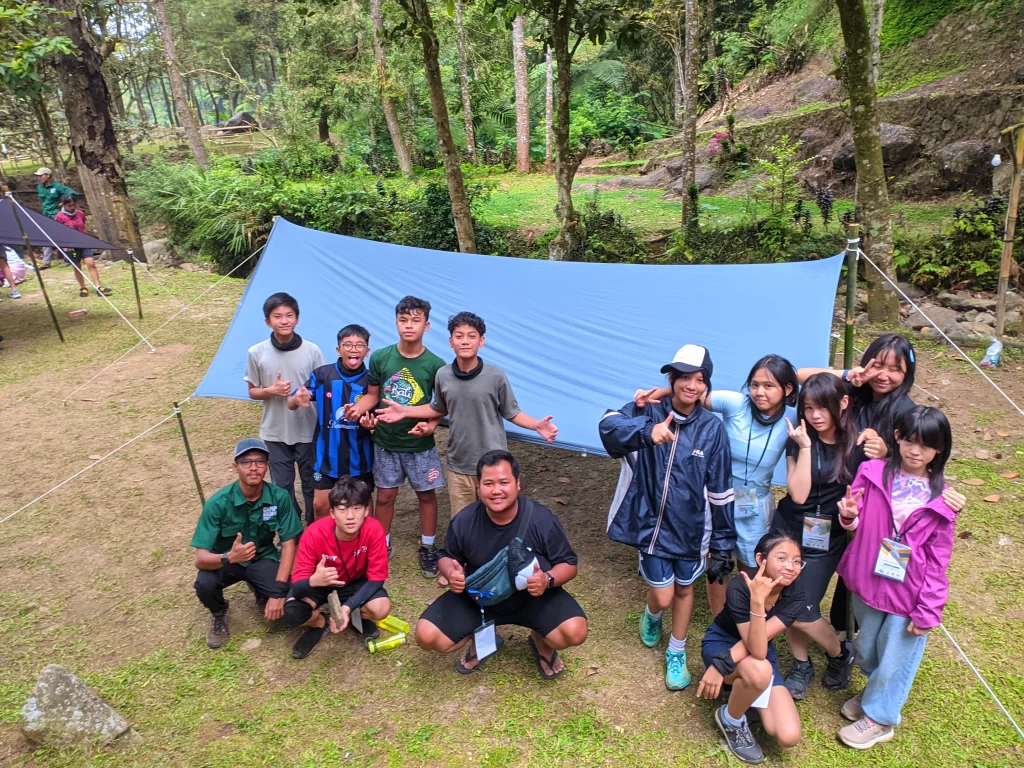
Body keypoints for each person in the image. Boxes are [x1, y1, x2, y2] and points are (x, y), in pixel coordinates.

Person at [599, 344, 735, 691]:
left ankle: (677, 651)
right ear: (671, 378)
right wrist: (648, 433)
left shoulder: (713, 430)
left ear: (707, 385)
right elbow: (607, 427)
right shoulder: (648, 411)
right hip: (649, 525)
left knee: (685, 590)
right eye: (685, 377)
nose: (692, 385)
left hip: (691, 532)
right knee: (662, 594)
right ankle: (653, 614)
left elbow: (720, 490)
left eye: (700, 379)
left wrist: (722, 543)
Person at [833, 406, 957, 750]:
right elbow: (854, 520)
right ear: (898, 437)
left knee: (895, 656)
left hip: (909, 593)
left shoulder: (943, 498)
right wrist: (848, 517)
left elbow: (938, 559)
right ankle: (875, 692)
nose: (916, 451)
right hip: (867, 581)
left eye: (927, 445)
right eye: (911, 441)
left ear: (939, 450)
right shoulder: (871, 471)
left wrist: (929, 608)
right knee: (868, 649)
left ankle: (881, 717)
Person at [635, 354, 798, 616]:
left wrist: (850, 375)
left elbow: (825, 404)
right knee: (717, 561)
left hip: (754, 502)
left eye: (769, 386)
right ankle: (719, 619)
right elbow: (690, 393)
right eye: (754, 384)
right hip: (716, 496)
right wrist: (657, 392)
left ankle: (748, 616)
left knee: (753, 562)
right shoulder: (736, 403)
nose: (759, 392)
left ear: (787, 389)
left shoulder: (795, 418)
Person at [413, 450, 588, 678]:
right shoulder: (465, 520)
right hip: (480, 598)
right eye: (488, 483)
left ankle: (540, 639)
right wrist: (451, 572)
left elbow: (569, 564)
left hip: (534, 598)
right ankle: (483, 638)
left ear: (517, 484)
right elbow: (447, 556)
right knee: (427, 636)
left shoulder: (542, 520)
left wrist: (548, 579)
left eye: (504, 482)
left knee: (574, 632)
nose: (496, 490)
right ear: (479, 487)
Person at [374, 311, 559, 517]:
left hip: (493, 463)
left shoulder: (496, 376)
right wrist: (406, 411)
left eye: (472, 336)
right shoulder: (443, 375)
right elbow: (438, 407)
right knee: (463, 520)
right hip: (459, 464)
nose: (465, 341)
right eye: (459, 336)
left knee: (496, 518)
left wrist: (536, 425)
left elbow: (511, 412)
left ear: (482, 341)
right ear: (450, 341)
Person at [771, 373, 859, 699]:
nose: (816, 415)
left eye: (824, 407)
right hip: (789, 530)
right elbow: (798, 493)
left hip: (827, 537)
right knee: (787, 599)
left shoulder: (858, 445)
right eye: (808, 408)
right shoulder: (798, 439)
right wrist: (806, 447)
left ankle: (839, 652)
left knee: (801, 609)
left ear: (844, 403)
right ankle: (801, 663)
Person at [345, 296, 446, 578]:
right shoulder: (381, 357)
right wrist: (358, 409)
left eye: (415, 320)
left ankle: (428, 547)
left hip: (419, 444)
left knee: (426, 496)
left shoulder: (436, 365)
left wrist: (431, 426)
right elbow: (373, 395)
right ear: (396, 322)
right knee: (386, 496)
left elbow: (442, 405)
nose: (409, 326)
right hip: (386, 442)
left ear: (427, 325)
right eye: (403, 320)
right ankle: (382, 544)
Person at [696, 532, 804, 765]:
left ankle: (743, 693)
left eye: (797, 561)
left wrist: (721, 666)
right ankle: (731, 719)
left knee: (788, 735)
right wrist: (721, 661)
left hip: (758, 650)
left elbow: (759, 645)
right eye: (782, 558)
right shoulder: (740, 586)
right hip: (723, 642)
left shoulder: (796, 594)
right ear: (760, 559)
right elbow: (756, 651)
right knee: (760, 670)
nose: (791, 566)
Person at [190, 438, 304, 648]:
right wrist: (229, 557)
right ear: (235, 467)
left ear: (267, 466)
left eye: (260, 461)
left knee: (291, 600)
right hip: (226, 562)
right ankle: (219, 612)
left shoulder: (280, 497)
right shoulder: (218, 503)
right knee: (204, 584)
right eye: (246, 462)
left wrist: (278, 593)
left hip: (262, 558)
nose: (253, 467)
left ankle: (262, 589)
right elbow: (200, 559)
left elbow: (289, 544)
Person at [282, 476, 390, 659]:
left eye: (357, 508)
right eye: (342, 509)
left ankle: (356, 614)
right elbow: (298, 586)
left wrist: (347, 607)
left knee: (381, 608)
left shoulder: (374, 529)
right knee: (292, 613)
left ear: (366, 510)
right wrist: (313, 580)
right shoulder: (314, 533)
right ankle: (319, 622)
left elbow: (377, 578)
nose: (350, 516)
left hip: (355, 582)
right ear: (332, 513)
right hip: (321, 583)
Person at [246, 293, 324, 523]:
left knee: (312, 484)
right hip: (275, 432)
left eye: (289, 315)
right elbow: (252, 391)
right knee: (282, 487)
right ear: (268, 322)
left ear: (297, 319)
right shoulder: (256, 352)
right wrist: (271, 391)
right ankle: (291, 530)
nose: (284, 320)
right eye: (277, 316)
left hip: (308, 430)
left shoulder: (313, 351)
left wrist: (305, 394)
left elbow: (322, 388)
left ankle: (313, 528)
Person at [288, 324, 376, 520]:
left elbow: (378, 418)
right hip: (326, 457)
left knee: (363, 506)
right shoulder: (322, 375)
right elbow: (292, 402)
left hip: (359, 459)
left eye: (359, 345)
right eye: (348, 345)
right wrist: (296, 399)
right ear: (338, 349)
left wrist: (372, 425)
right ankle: (323, 545)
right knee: (320, 505)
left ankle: (368, 545)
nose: (354, 349)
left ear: (367, 351)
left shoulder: (372, 380)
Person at [54, 195, 112, 297]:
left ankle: (98, 287)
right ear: (63, 205)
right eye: (69, 206)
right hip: (70, 246)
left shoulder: (80, 213)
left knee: (91, 263)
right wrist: (64, 245)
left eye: (73, 205)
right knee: (77, 266)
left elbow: (83, 227)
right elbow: (58, 232)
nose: (72, 208)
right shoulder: (60, 216)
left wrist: (86, 239)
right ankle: (83, 288)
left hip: (83, 243)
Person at [33, 167, 76, 268]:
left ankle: (69, 259)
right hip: (46, 214)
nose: (40, 177)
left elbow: (72, 193)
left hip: (56, 215)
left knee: (63, 236)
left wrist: (63, 202)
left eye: (41, 175)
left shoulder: (57, 186)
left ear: (48, 175)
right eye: (39, 176)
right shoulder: (40, 187)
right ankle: (46, 262)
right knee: (45, 236)